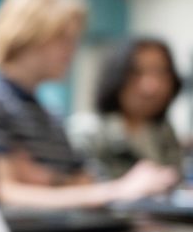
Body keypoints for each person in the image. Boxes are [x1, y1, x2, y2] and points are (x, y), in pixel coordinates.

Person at [0, 0, 178, 209]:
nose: (71, 51)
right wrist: (118, 190)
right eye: (62, 39)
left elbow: (87, 180)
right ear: (27, 35)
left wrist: (49, 179)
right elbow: (4, 192)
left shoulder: (49, 114)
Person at [69, 38, 183, 180]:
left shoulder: (163, 132)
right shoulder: (87, 131)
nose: (151, 87)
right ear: (117, 76)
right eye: (137, 73)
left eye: (161, 73)